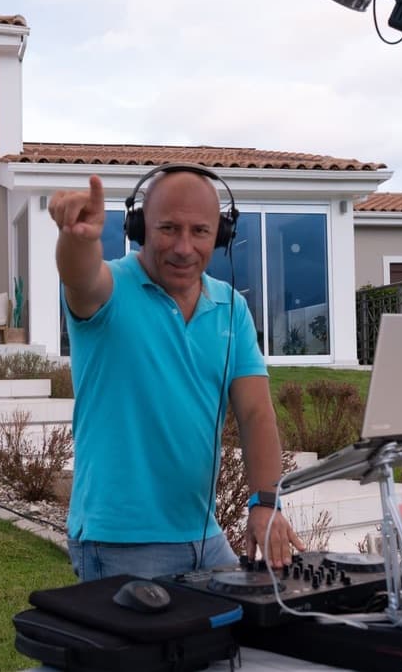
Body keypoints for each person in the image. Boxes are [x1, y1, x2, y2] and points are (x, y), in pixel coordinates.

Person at [49, 166, 304, 582]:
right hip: (121, 543)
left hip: (203, 536)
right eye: (168, 228)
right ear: (139, 227)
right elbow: (79, 276)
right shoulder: (110, 290)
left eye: (200, 231)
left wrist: (265, 504)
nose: (184, 247)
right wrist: (77, 239)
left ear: (220, 234)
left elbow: (256, 414)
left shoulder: (231, 308)